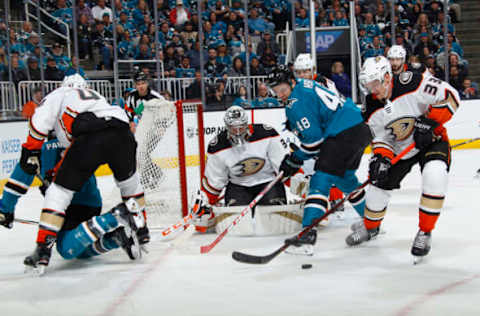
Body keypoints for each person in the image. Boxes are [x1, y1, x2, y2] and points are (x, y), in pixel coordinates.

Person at [17, 74, 146, 273]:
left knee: (58, 195)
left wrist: (30, 150)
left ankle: (42, 250)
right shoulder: (96, 97)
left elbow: (39, 123)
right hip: (122, 131)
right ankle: (140, 228)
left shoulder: (59, 94)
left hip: (90, 140)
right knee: (129, 182)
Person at [347, 56, 460, 262]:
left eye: (375, 83)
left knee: (434, 175)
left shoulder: (413, 82)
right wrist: (381, 158)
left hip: (431, 141)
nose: (372, 90)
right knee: (377, 184)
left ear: (387, 77)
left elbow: (452, 97)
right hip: (401, 148)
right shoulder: (371, 106)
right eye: (367, 85)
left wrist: (429, 121)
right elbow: (382, 137)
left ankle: (425, 232)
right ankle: (371, 228)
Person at [266, 65, 372, 255]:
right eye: (275, 91)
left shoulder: (295, 103)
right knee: (344, 178)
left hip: (342, 132)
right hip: (359, 128)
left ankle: (307, 235)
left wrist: (294, 159)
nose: (280, 95)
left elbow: (315, 143)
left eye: (282, 90)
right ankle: (372, 220)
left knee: (320, 178)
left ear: (291, 82)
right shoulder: (305, 84)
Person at [0, 137, 143, 275]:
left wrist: (5, 210)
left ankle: (115, 216)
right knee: (79, 249)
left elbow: (17, 182)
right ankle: (116, 238)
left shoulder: (39, 148)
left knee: (66, 249)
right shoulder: (75, 138)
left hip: (73, 206)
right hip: (87, 202)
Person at [197, 106, 289, 232]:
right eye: (233, 128)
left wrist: (302, 187)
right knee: (237, 229)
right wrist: (206, 204)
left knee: (275, 224)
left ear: (247, 124)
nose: (238, 132)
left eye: (241, 127)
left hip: (269, 183)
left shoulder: (267, 133)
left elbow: (284, 167)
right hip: (238, 187)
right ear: (227, 126)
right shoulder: (217, 145)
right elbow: (215, 181)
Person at [293, 53, 346, 214]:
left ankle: (336, 197)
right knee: (310, 165)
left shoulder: (323, 83)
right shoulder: (296, 86)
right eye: (300, 72)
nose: (303, 75)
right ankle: (317, 197)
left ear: (313, 70)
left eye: (306, 71)